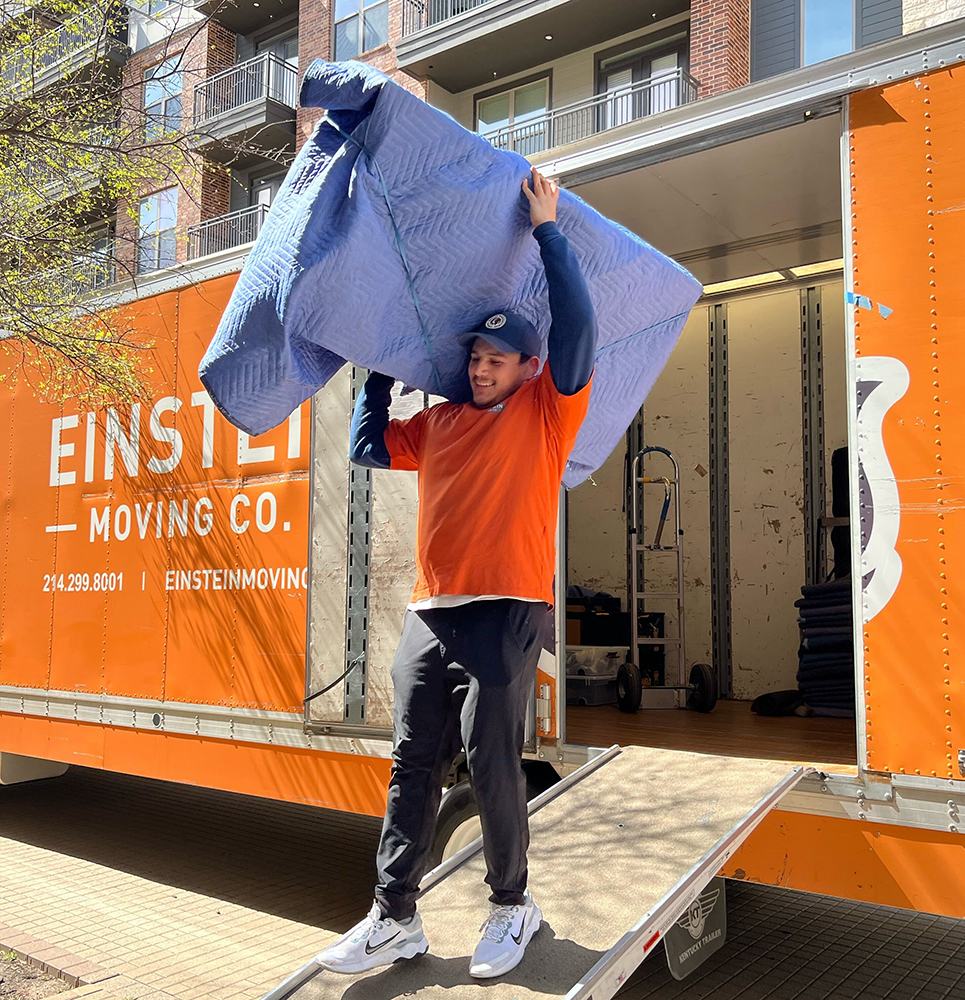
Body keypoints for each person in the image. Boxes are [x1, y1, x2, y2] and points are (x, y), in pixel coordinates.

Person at [317, 167, 597, 980]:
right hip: (432, 610)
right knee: (411, 760)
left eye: (499, 359)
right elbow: (367, 448)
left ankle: (512, 906)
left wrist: (547, 231)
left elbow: (577, 329)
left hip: (505, 608)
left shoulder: (549, 411)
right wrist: (377, 374)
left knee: (489, 758)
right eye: (476, 355)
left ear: (526, 366)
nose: (481, 368)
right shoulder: (438, 423)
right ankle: (392, 916)